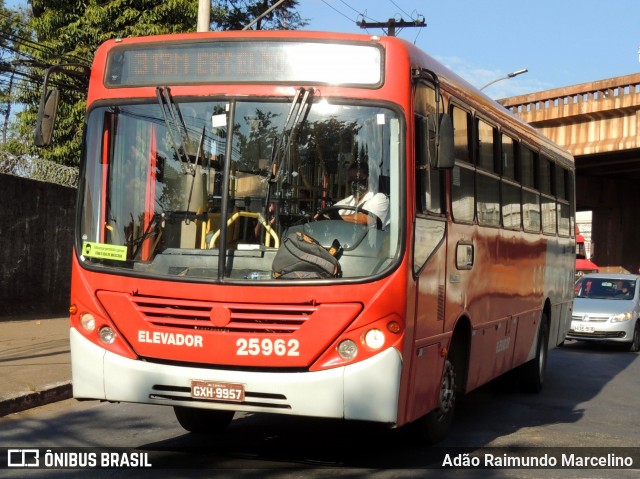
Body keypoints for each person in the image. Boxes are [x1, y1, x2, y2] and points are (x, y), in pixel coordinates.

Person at [333, 162, 389, 227]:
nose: (354, 182)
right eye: (351, 179)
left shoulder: (380, 198)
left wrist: (335, 219)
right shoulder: (347, 201)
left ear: (370, 179)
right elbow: (333, 212)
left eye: (358, 178)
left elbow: (367, 219)